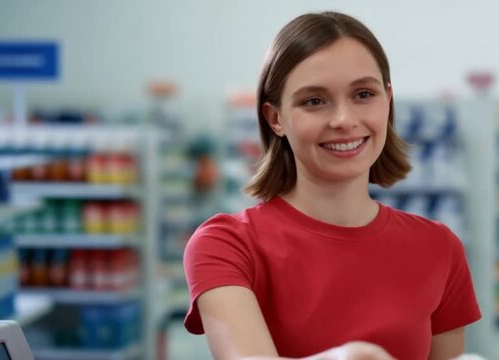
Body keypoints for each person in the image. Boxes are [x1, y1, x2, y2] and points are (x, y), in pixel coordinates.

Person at [183, 11, 481, 360]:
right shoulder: (226, 246)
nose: (344, 120)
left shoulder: (439, 248)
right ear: (275, 118)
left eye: (364, 94)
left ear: (388, 101)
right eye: (314, 101)